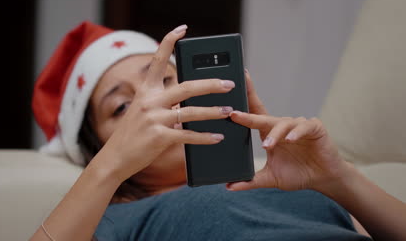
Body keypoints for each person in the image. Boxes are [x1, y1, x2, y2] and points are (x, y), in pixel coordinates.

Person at [30, 21, 406, 241]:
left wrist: (339, 179)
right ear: (97, 149)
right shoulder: (114, 220)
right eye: (123, 108)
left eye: (167, 80)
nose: (155, 105)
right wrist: (108, 168)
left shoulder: (295, 180)